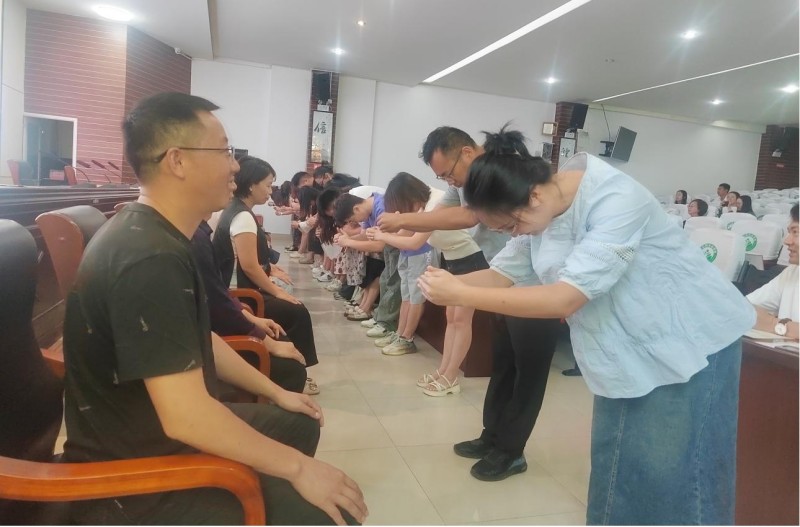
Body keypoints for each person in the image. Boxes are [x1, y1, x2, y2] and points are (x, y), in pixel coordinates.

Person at [417, 126, 755, 525]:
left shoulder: (614, 198)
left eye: (510, 226)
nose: (514, 234)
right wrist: (446, 285)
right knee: (618, 470)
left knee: (679, 477)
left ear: (533, 196)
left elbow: (565, 298)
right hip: (626, 349)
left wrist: (461, 293)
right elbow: (501, 275)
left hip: (689, 342)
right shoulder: (541, 209)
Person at [62, 92, 366, 525]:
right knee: (332, 514)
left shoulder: (163, 237)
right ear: (177, 161)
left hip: (157, 432)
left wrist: (276, 391)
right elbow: (186, 418)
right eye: (224, 151)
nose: (235, 166)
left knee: (297, 421)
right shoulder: (148, 257)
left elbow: (197, 337)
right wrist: (299, 468)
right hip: (136, 475)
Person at [377, 126, 559, 482]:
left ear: (466, 153)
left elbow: (468, 216)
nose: (450, 182)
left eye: (448, 173)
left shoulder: (507, 179)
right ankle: (493, 437)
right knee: (503, 363)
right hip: (504, 274)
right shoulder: (493, 210)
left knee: (527, 374)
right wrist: (455, 285)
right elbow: (496, 256)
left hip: (536, 291)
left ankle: (511, 450)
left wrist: (404, 220)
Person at [213, 156, 320, 395]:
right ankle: (299, 369)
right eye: (268, 185)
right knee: (296, 311)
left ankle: (297, 363)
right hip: (241, 293)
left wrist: (271, 269)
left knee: (291, 304)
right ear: (252, 185)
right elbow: (249, 266)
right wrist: (277, 291)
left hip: (238, 286)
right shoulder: (242, 216)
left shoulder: (237, 210)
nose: (271, 191)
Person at [369, 172, 482, 395]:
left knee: (461, 320)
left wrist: (382, 236)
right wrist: (381, 231)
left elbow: (414, 242)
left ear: (408, 197)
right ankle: (443, 371)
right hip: (454, 261)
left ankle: (451, 376)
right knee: (452, 319)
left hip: (472, 260)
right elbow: (405, 232)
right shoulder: (422, 208)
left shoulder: (433, 205)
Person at [191, 217, 307, 393]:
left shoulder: (198, 231)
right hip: (224, 318)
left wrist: (252, 320)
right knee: (292, 361)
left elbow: (218, 293)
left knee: (287, 320)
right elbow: (221, 303)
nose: (231, 188)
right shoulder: (196, 237)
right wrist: (263, 338)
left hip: (227, 311)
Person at [747, 204, 798, 338]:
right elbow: (745, 307)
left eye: (795, 232)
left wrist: (773, 324)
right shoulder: (793, 272)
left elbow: (765, 321)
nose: (787, 241)